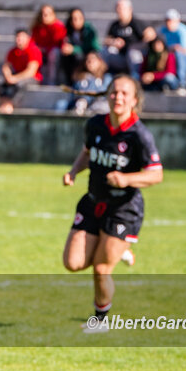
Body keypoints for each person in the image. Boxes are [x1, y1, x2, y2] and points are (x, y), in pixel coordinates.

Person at [61, 76, 163, 332]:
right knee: (72, 263)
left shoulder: (139, 135)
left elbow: (156, 174)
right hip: (92, 201)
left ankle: (101, 320)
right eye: (114, 92)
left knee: (101, 267)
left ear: (134, 100)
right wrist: (73, 172)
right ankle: (121, 249)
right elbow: (87, 152)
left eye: (124, 93)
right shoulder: (96, 124)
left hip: (123, 209)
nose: (118, 97)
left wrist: (126, 178)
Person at [102, 0, 154, 79]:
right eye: (118, 8)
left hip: (136, 57)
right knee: (105, 51)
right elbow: (106, 41)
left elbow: (151, 35)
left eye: (122, 8)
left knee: (132, 52)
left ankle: (136, 79)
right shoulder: (115, 25)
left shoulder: (136, 23)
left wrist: (135, 46)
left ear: (130, 9)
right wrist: (114, 42)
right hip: (121, 57)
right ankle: (104, 78)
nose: (119, 10)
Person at [0, 29, 43, 114]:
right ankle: (4, 103)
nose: (19, 40)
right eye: (17, 37)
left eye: (22, 37)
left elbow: (31, 71)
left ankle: (11, 105)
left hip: (32, 78)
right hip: (16, 76)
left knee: (20, 84)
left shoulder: (33, 50)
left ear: (28, 38)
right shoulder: (13, 51)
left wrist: (15, 78)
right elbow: (6, 66)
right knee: (0, 81)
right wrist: (8, 77)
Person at [60, 8, 101, 87]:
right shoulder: (68, 31)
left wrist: (74, 49)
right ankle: (69, 81)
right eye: (73, 19)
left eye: (79, 18)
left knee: (78, 57)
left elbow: (93, 47)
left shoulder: (89, 30)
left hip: (87, 54)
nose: (76, 21)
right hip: (72, 56)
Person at [160, 9, 186, 93]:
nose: (169, 23)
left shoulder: (184, 31)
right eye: (167, 20)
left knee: (179, 54)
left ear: (178, 21)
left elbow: (183, 50)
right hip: (173, 58)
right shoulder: (163, 30)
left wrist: (171, 48)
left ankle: (182, 84)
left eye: (171, 20)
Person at [31, 4, 67, 86]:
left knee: (54, 53)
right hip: (41, 54)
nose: (44, 16)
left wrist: (44, 49)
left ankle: (51, 81)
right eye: (43, 14)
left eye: (47, 14)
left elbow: (58, 43)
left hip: (53, 54)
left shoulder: (58, 27)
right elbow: (32, 42)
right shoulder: (37, 28)